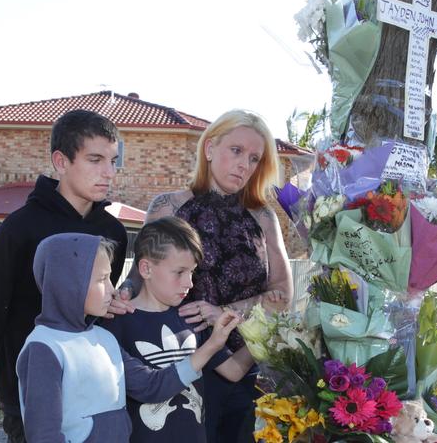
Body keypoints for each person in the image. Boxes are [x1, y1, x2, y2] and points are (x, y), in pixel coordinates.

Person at [126, 109, 294, 443]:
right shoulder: (168, 207)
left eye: (254, 158)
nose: (244, 164)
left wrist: (226, 312)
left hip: (246, 364)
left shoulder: (262, 218)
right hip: (179, 364)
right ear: (209, 149)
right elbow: (137, 279)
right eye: (236, 151)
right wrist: (118, 296)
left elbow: (283, 295)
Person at [0, 109, 130, 442]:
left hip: (89, 384)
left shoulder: (113, 231)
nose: (108, 173)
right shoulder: (20, 226)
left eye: (113, 161)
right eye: (95, 159)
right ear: (61, 161)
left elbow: (100, 304)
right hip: (28, 381)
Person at [17, 232, 241, 442]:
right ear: (69, 283)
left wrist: (213, 344)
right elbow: (43, 435)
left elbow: (152, 386)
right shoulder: (44, 348)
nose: (113, 289)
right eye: (102, 279)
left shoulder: (104, 338)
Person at [102, 217, 255, 443]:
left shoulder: (191, 318)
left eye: (192, 272)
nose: (189, 283)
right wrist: (213, 344)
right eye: (179, 272)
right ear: (145, 268)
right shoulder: (116, 322)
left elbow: (233, 370)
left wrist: (264, 338)